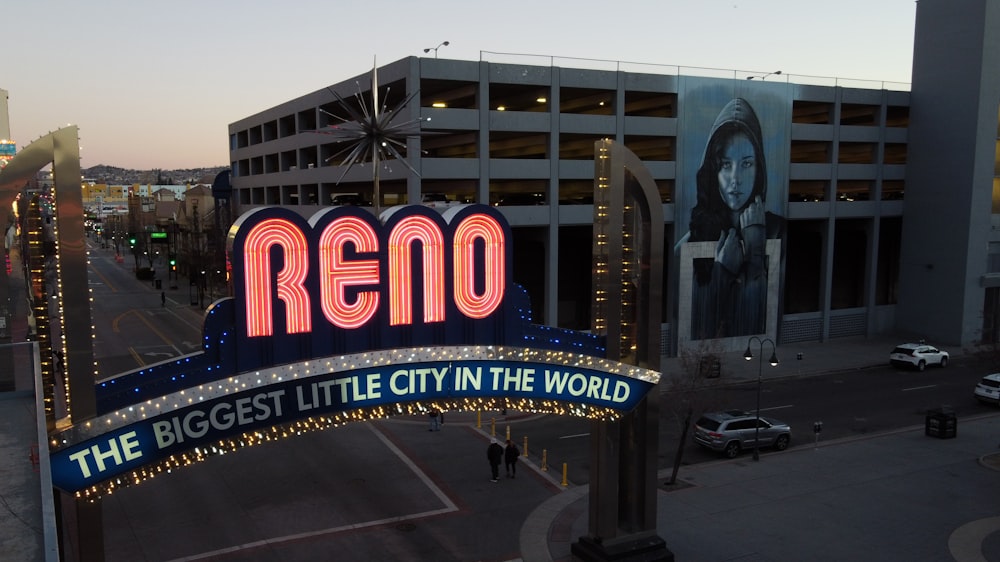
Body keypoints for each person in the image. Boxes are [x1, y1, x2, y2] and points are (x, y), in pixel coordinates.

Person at [684, 97, 783, 339]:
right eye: (725, 165)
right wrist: (721, 273)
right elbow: (699, 327)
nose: (735, 179)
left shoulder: (779, 231)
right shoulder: (689, 243)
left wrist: (755, 252)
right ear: (712, 170)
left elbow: (758, 322)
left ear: (760, 169)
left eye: (747, 164)